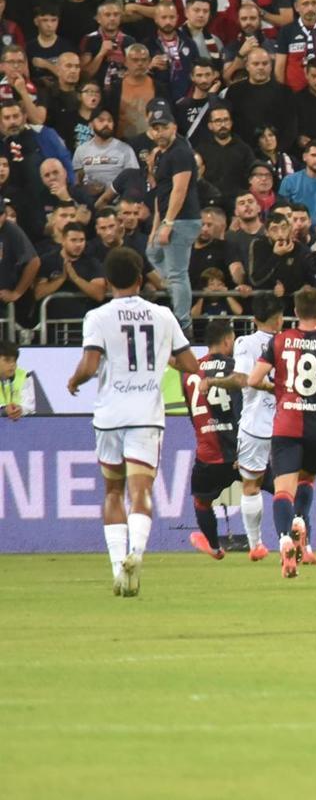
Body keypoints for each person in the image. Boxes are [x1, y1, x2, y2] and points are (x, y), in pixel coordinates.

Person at [67, 247, 200, 596]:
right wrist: (163, 360)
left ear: (108, 282)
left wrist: (73, 381)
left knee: (113, 490)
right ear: (141, 279)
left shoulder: (97, 317)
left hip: (110, 415)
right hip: (146, 416)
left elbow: (90, 364)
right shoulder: (163, 315)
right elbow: (191, 365)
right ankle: (136, 554)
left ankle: (116, 568)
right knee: (140, 491)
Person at [245, 286, 316, 578]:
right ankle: (300, 521)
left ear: (295, 313)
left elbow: (254, 378)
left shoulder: (280, 340)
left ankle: (285, 539)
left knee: (283, 490)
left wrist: (278, 388)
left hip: (287, 422)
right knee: (308, 480)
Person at [201, 295, 285, 562]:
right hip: (287, 423)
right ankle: (294, 544)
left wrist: (214, 380)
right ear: (280, 319)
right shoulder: (289, 342)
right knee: (289, 486)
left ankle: (256, 544)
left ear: (253, 320)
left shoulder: (245, 343)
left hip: (254, 426)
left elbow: (240, 380)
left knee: (251, 486)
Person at [180, 319, 241, 559]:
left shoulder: (190, 371)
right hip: (240, 449)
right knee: (280, 488)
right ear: (227, 340)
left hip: (208, 453)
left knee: (201, 502)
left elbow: (192, 413)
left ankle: (215, 548)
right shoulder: (236, 366)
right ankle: (291, 540)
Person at [143, 99, 201, 333]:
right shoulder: (160, 155)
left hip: (183, 219)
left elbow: (180, 190)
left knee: (177, 274)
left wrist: (168, 224)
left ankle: (182, 324)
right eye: (155, 128)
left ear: (174, 127)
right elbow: (161, 194)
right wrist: (154, 229)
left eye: (164, 127)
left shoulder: (181, 153)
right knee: (152, 252)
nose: (160, 132)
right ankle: (179, 292)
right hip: (169, 218)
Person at [0, 337, 35, 419]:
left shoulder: (24, 377)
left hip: (20, 426)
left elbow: (30, 407)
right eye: (7, 360)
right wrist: (4, 410)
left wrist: (20, 409)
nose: (12, 364)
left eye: (14, 360)